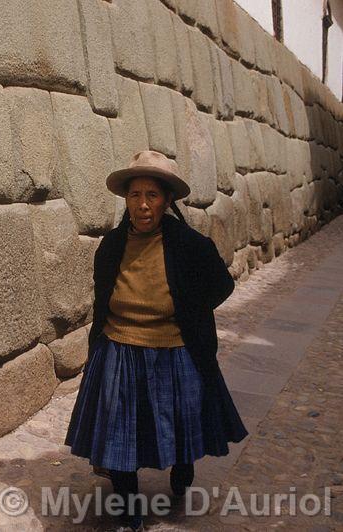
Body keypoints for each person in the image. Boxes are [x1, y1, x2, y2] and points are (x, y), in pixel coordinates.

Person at [64, 150, 248, 530]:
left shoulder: (190, 245)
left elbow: (221, 285)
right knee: (120, 431)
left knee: (177, 421)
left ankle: (182, 471)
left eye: (152, 195)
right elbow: (102, 297)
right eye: (135, 195)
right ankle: (128, 503)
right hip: (119, 346)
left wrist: (188, 311)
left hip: (174, 349)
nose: (143, 205)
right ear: (126, 200)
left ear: (166, 200)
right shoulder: (112, 246)